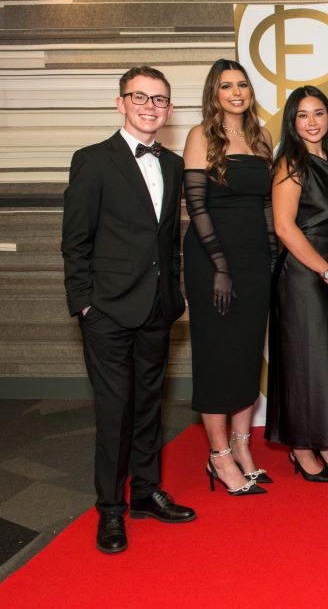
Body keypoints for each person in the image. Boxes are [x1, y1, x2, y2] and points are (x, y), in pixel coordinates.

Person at [61, 65, 195, 554]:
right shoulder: (93, 161)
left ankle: (144, 493)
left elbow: (168, 242)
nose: (149, 106)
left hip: (157, 308)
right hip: (109, 312)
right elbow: (75, 242)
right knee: (115, 411)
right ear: (120, 102)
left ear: (169, 109)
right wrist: (86, 306)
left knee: (148, 407)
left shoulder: (174, 164)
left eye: (159, 99)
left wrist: (174, 295)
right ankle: (110, 511)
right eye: (139, 97)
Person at [183, 59, 274, 496]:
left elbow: (265, 207)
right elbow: (197, 207)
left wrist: (271, 258)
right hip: (212, 261)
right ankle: (218, 455)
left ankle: (242, 445)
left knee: (246, 353)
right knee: (217, 353)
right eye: (226, 86)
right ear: (213, 93)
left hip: (255, 259)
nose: (236, 92)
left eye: (242, 85)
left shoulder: (261, 136)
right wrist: (219, 264)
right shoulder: (202, 136)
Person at [266, 85, 328, 482]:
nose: (312, 122)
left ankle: (323, 440)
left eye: (319, 113)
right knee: (303, 361)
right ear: (293, 121)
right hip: (303, 273)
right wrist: (326, 271)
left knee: (325, 359)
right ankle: (301, 448)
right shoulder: (290, 163)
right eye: (303, 115)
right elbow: (285, 228)